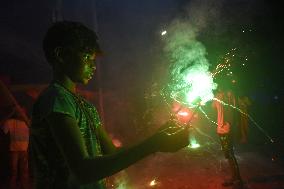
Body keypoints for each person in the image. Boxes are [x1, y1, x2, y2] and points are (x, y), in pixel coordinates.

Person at [29, 21, 189, 189]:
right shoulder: (56, 98)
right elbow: (83, 171)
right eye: (86, 58)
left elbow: (112, 154)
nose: (93, 66)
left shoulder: (86, 107)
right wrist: (154, 144)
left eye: (93, 59)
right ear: (61, 55)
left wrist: (158, 137)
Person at [212, 88, 243, 188]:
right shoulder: (216, 98)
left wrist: (229, 123)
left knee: (230, 154)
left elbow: (232, 111)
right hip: (221, 130)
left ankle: (237, 180)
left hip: (226, 130)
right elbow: (213, 107)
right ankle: (234, 178)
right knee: (228, 155)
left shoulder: (228, 96)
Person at [2, 107, 30, 189]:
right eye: (19, 112)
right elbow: (2, 126)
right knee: (13, 171)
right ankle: (13, 186)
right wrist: (11, 113)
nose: (20, 113)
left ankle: (25, 186)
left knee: (24, 171)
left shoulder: (27, 122)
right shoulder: (11, 122)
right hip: (14, 149)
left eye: (22, 111)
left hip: (24, 149)